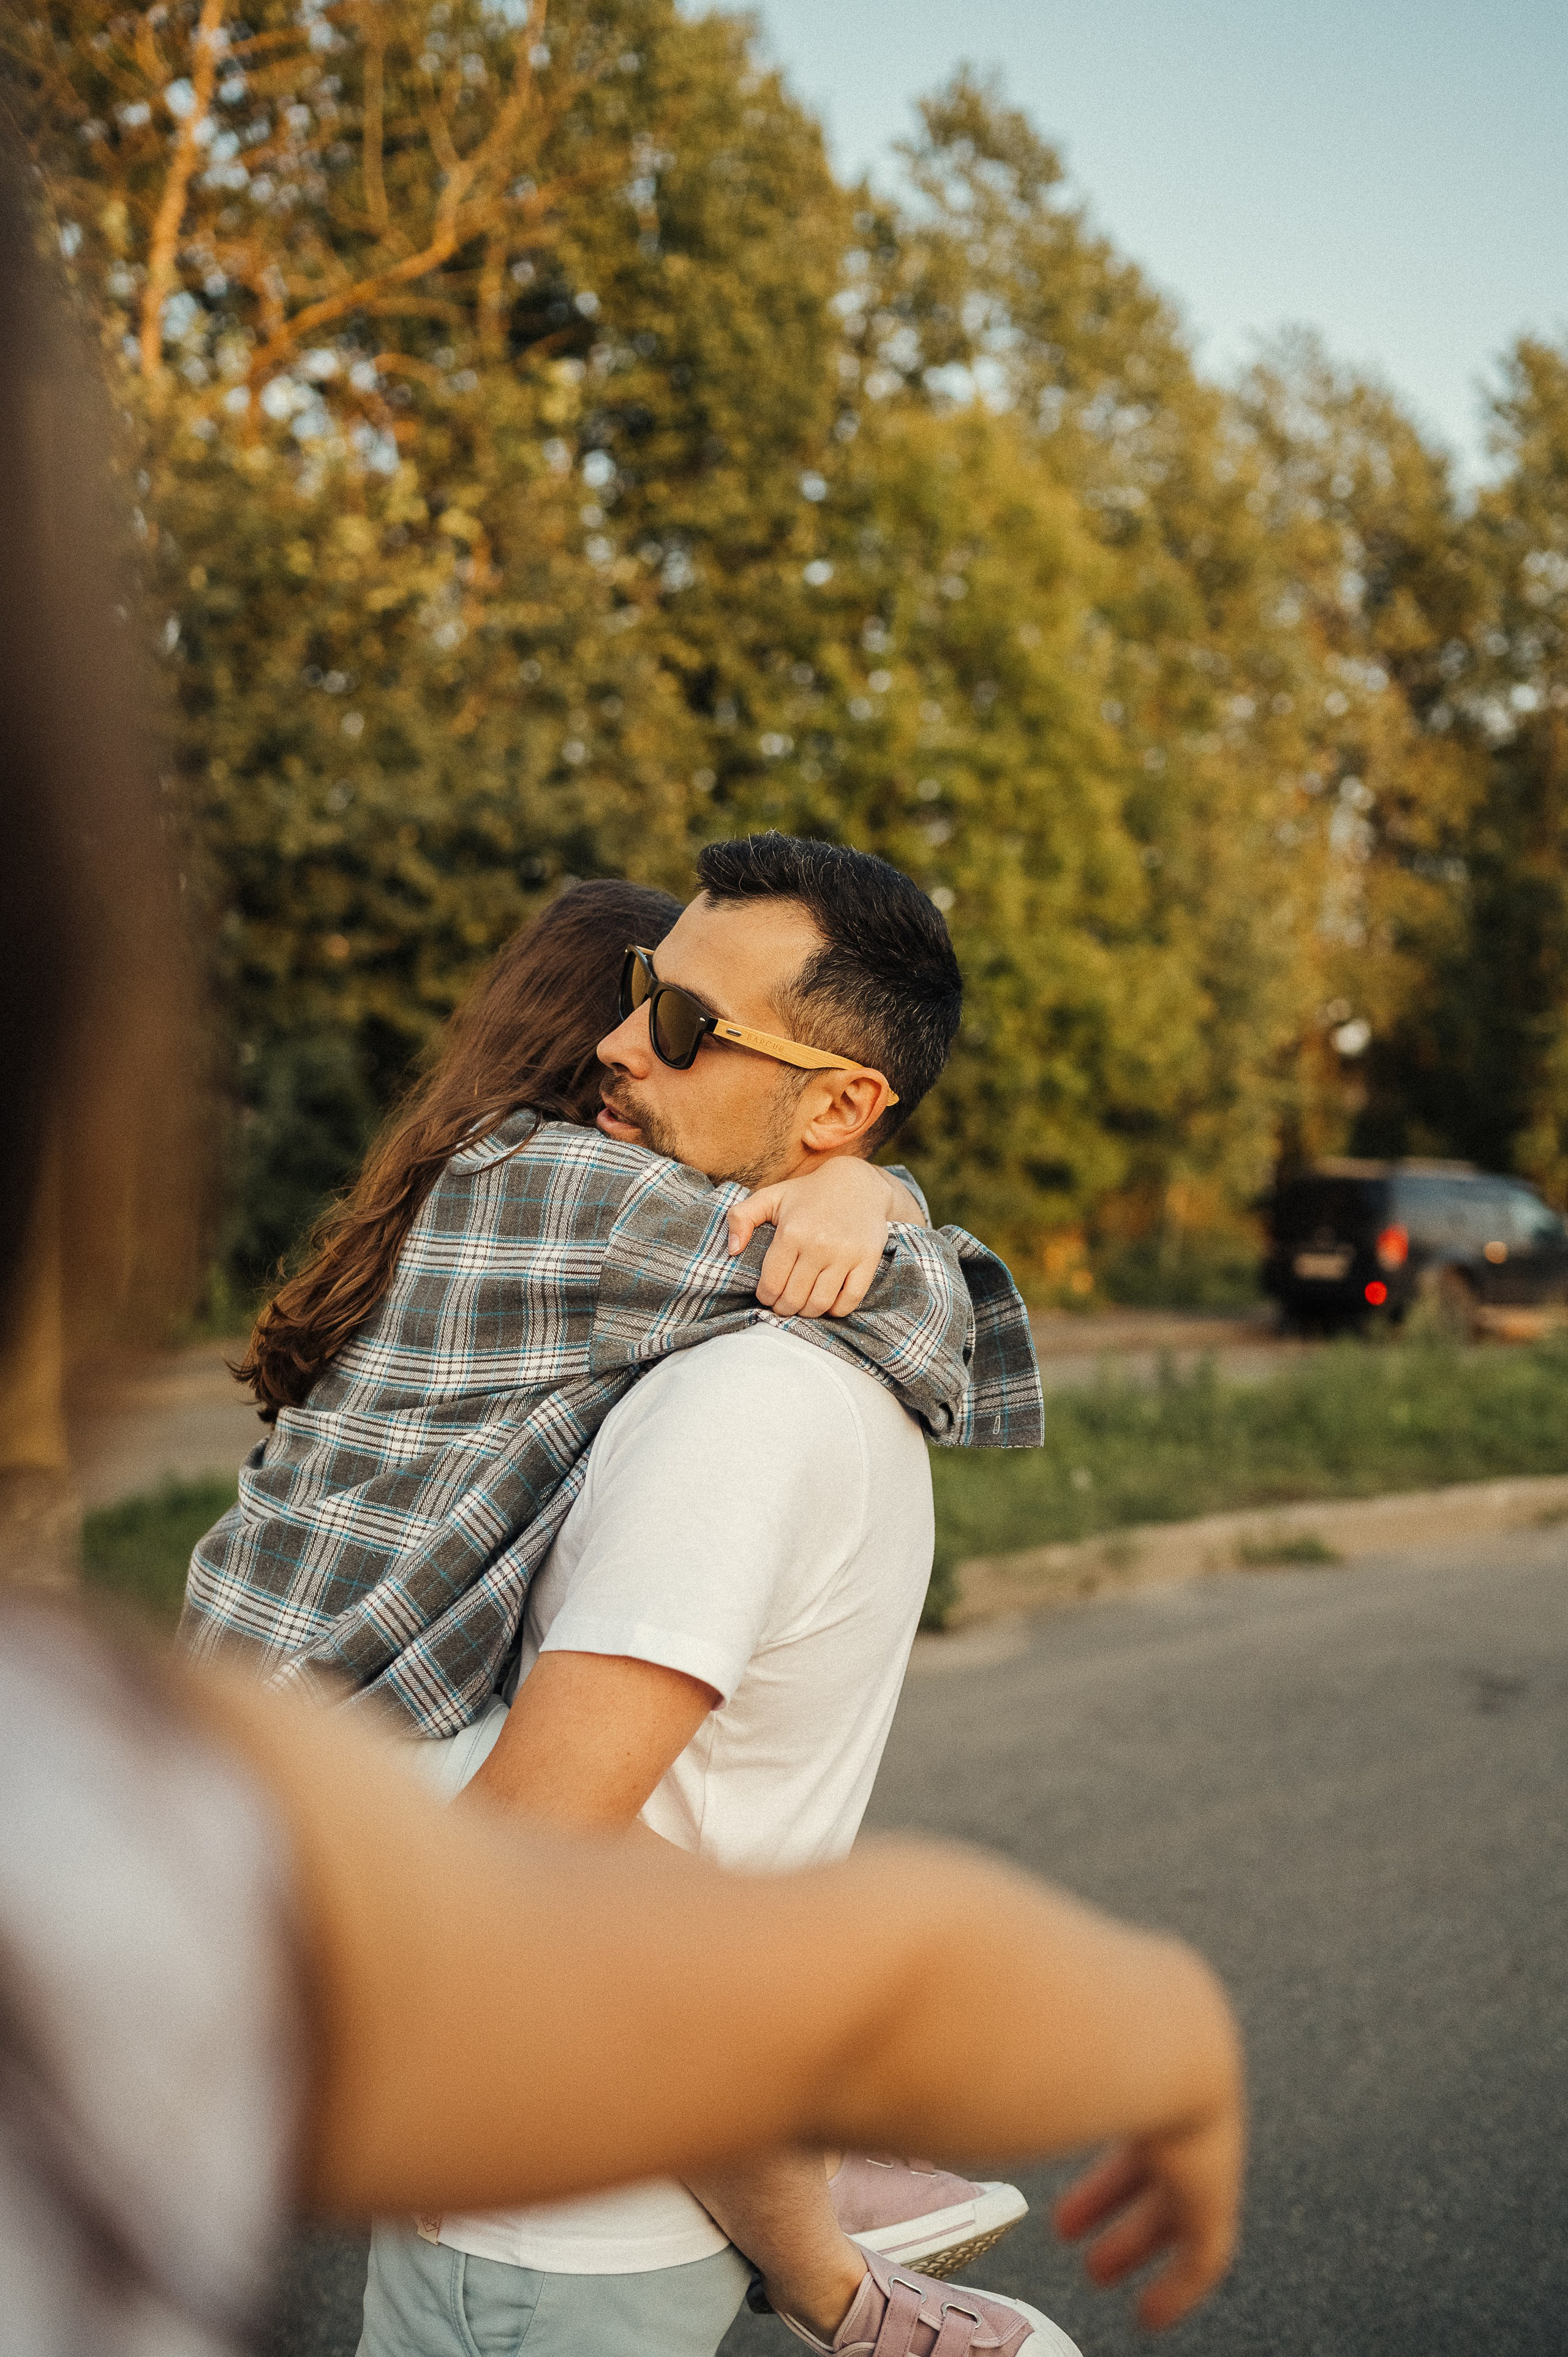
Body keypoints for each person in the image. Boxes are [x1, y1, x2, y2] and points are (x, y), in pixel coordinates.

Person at [0, 137, 1245, 2357]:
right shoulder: (636, 1258)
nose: (613, 1042)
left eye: (670, 1017)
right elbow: (575, 1852)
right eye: (621, 996)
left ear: (833, 1085)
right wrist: (887, 1221)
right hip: (485, 2067)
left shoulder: (88, 1761)